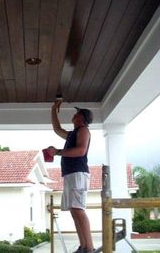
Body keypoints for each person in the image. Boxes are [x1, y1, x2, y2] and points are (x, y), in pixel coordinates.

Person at [47, 99, 95, 253]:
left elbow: (81, 151)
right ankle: (83, 247)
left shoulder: (83, 131)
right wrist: (54, 109)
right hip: (71, 175)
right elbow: (57, 129)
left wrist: (58, 152)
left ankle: (90, 248)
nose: (73, 115)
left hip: (77, 174)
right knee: (75, 211)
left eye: (76, 113)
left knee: (78, 210)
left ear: (80, 117)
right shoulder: (73, 133)